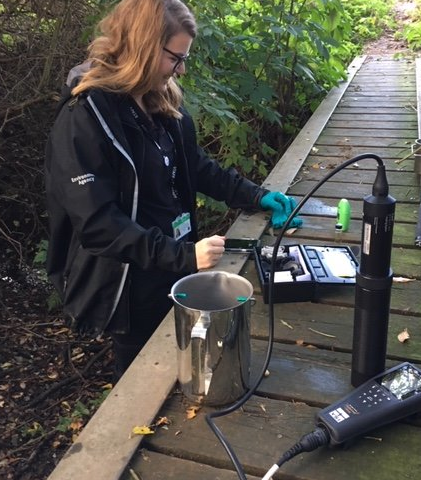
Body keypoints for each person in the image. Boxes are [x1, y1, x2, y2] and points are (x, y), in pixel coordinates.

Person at [45, 0, 302, 377]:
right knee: (143, 375)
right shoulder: (84, 117)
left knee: (188, 363)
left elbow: (194, 166)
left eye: (184, 59)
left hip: (173, 266)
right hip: (130, 283)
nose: (180, 69)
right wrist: (184, 257)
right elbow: (97, 224)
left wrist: (255, 195)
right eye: (174, 58)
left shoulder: (158, 100)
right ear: (144, 47)